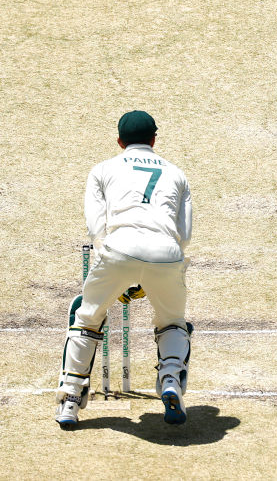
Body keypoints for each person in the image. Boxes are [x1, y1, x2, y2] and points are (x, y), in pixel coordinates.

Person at [56, 110, 193, 429]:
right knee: (172, 321)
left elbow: (96, 227)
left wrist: (118, 275)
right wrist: (149, 275)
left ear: (119, 141)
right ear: (154, 140)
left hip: (118, 248)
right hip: (166, 253)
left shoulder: (103, 169)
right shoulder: (177, 173)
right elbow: (184, 236)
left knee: (86, 315)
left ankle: (71, 399)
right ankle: (171, 380)